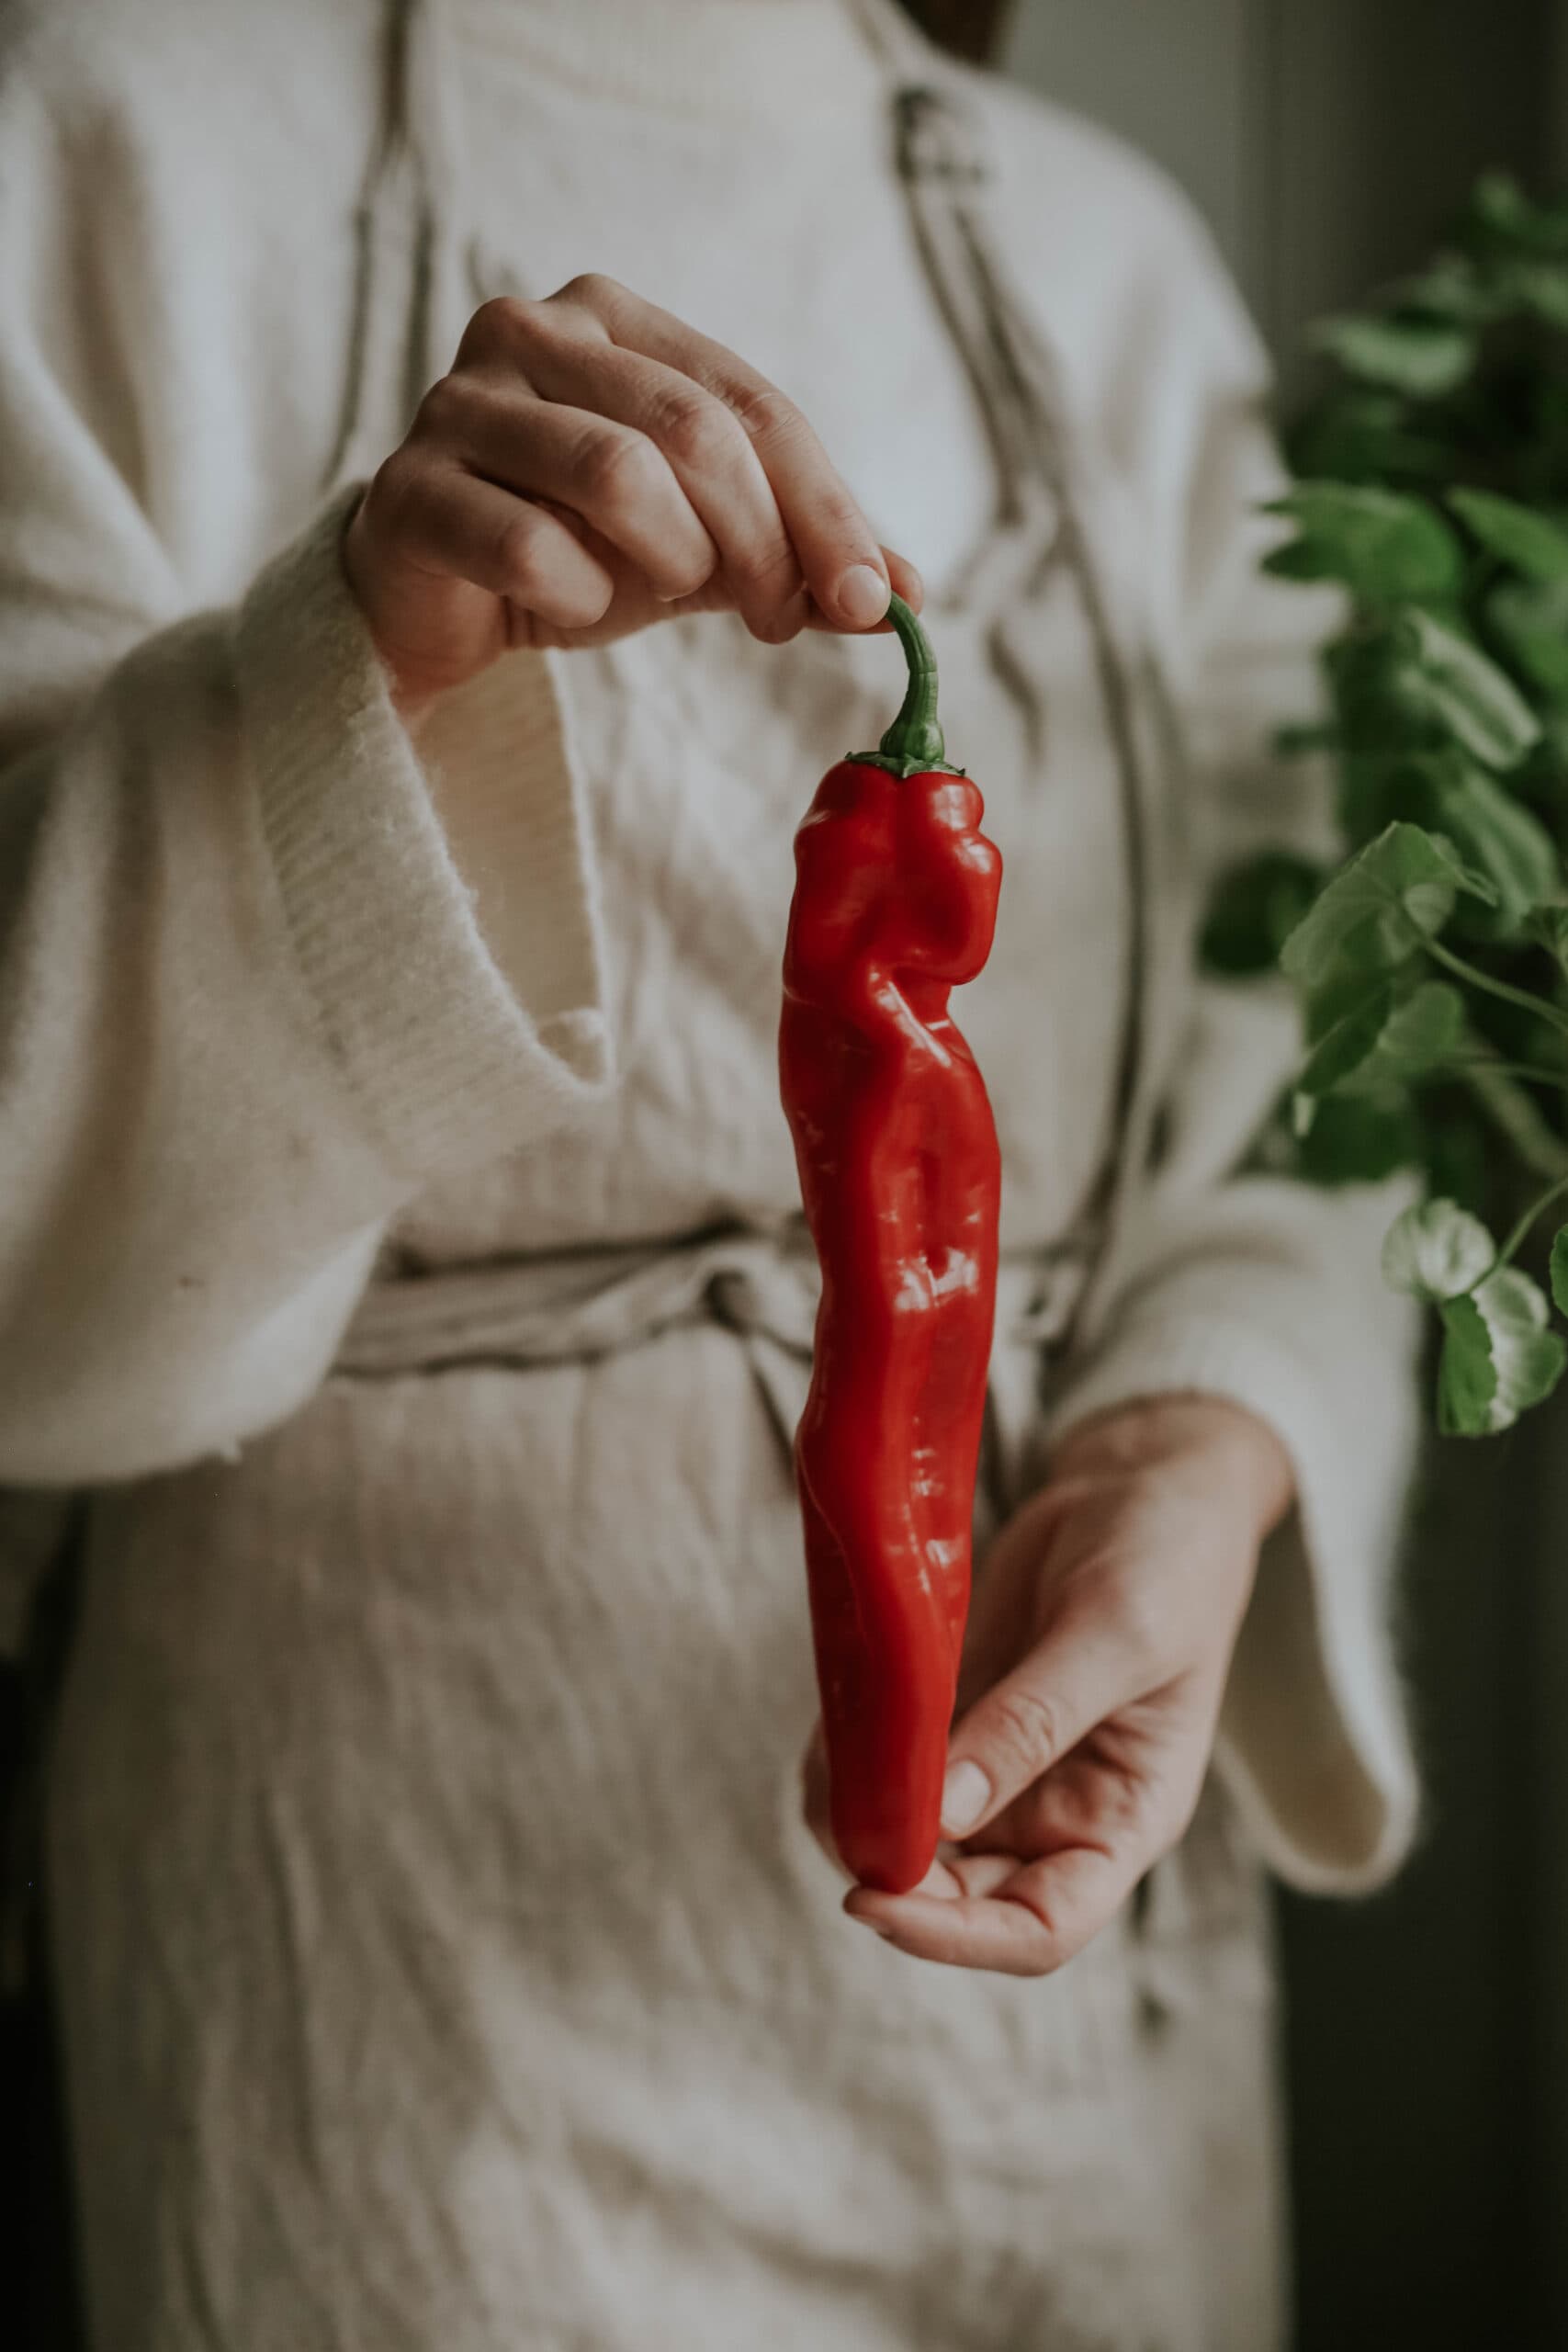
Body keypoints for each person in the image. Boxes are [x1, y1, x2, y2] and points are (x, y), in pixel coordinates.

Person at [0, 0, 1421, 2344]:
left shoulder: (1104, 258)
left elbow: (1310, 1071)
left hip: (1077, 1932)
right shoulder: (101, 141)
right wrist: (351, 659)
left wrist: (1209, 1424)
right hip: (393, 1980)